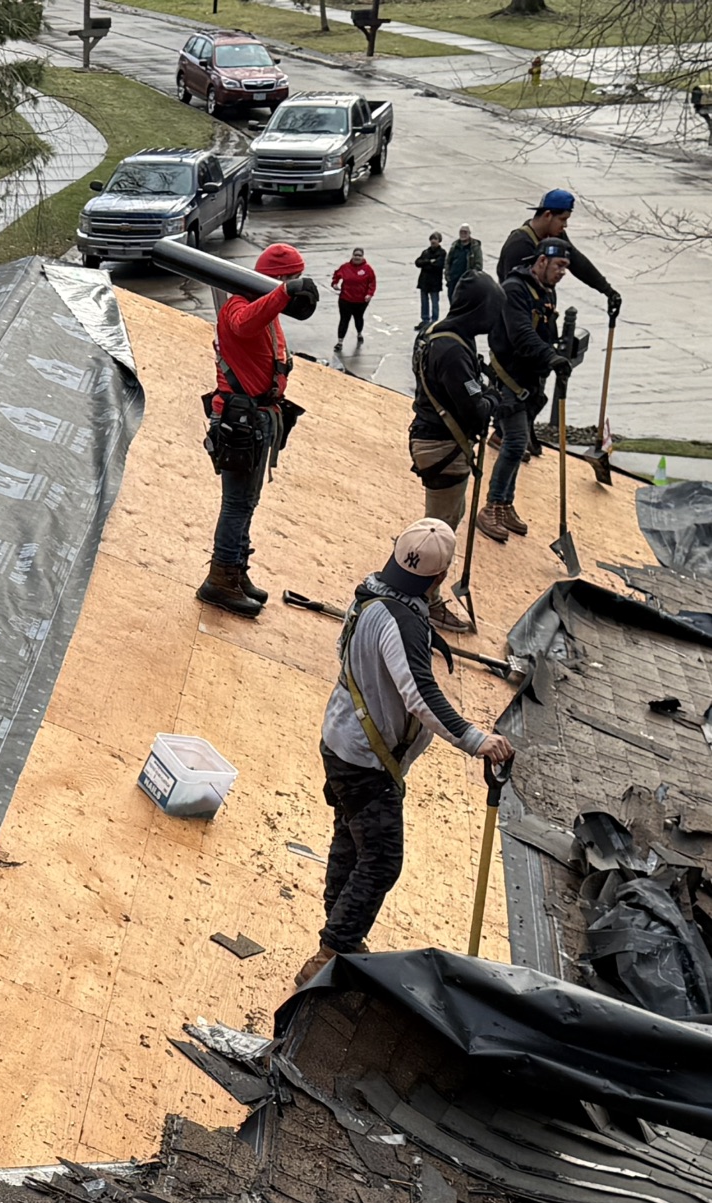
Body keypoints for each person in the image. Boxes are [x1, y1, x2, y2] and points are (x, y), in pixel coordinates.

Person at [295, 519, 517, 986]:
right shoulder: (403, 622)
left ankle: (339, 938)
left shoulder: (369, 594)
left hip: (340, 743)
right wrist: (477, 740)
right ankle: (332, 952)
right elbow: (420, 694)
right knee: (380, 860)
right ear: (439, 578)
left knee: (352, 842)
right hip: (365, 762)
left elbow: (346, 652)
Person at [198, 243, 319, 618]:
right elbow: (242, 324)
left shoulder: (265, 305)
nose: (294, 284)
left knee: (247, 502)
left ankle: (236, 570)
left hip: (255, 418)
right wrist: (282, 294)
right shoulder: (239, 305)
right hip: (239, 421)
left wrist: (280, 296)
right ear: (278, 278)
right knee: (235, 504)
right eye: (291, 277)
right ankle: (219, 580)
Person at [409, 273, 509, 633]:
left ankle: (414, 591)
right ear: (478, 310)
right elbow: (476, 411)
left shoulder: (440, 334)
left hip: (434, 442)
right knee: (439, 533)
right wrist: (493, 396)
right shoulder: (452, 350)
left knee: (441, 523)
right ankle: (424, 601)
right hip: (442, 447)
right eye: (492, 312)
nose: (494, 320)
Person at [483, 237, 573, 540]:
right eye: (559, 265)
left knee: (516, 442)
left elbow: (545, 332)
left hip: (529, 379)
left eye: (566, 267)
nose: (563, 272)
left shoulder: (546, 291)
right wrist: (551, 357)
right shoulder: (515, 289)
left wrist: (559, 353)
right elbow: (521, 334)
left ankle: (505, 503)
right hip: (508, 377)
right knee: (516, 442)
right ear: (542, 260)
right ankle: (491, 507)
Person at [496, 189, 621, 327]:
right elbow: (514, 297)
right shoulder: (519, 245)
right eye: (562, 219)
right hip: (519, 329)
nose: (565, 225)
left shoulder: (554, 236)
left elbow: (577, 262)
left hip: (542, 321)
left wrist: (608, 291)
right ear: (548, 215)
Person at [331, 248, 376, 349]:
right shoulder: (345, 267)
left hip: (361, 301)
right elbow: (336, 275)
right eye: (355, 255)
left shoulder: (367, 269)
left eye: (359, 255)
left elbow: (372, 283)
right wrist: (334, 283)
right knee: (344, 320)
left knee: (358, 318)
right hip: (345, 299)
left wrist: (369, 294)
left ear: (363, 257)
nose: (357, 257)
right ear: (352, 255)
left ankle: (359, 333)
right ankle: (340, 342)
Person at [414, 233, 447, 327]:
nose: (433, 241)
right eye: (432, 239)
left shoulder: (442, 253)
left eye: (435, 239)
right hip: (424, 282)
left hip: (435, 283)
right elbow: (417, 262)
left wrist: (426, 264)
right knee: (424, 302)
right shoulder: (426, 252)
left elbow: (439, 265)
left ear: (439, 240)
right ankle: (425, 320)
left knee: (434, 302)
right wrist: (429, 262)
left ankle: (434, 321)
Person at [445, 224, 484, 296]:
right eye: (461, 232)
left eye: (465, 232)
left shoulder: (474, 247)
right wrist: (448, 276)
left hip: (467, 281)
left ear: (469, 233)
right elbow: (448, 261)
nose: (463, 234)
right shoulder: (455, 246)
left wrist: (472, 277)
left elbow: (478, 265)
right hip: (453, 280)